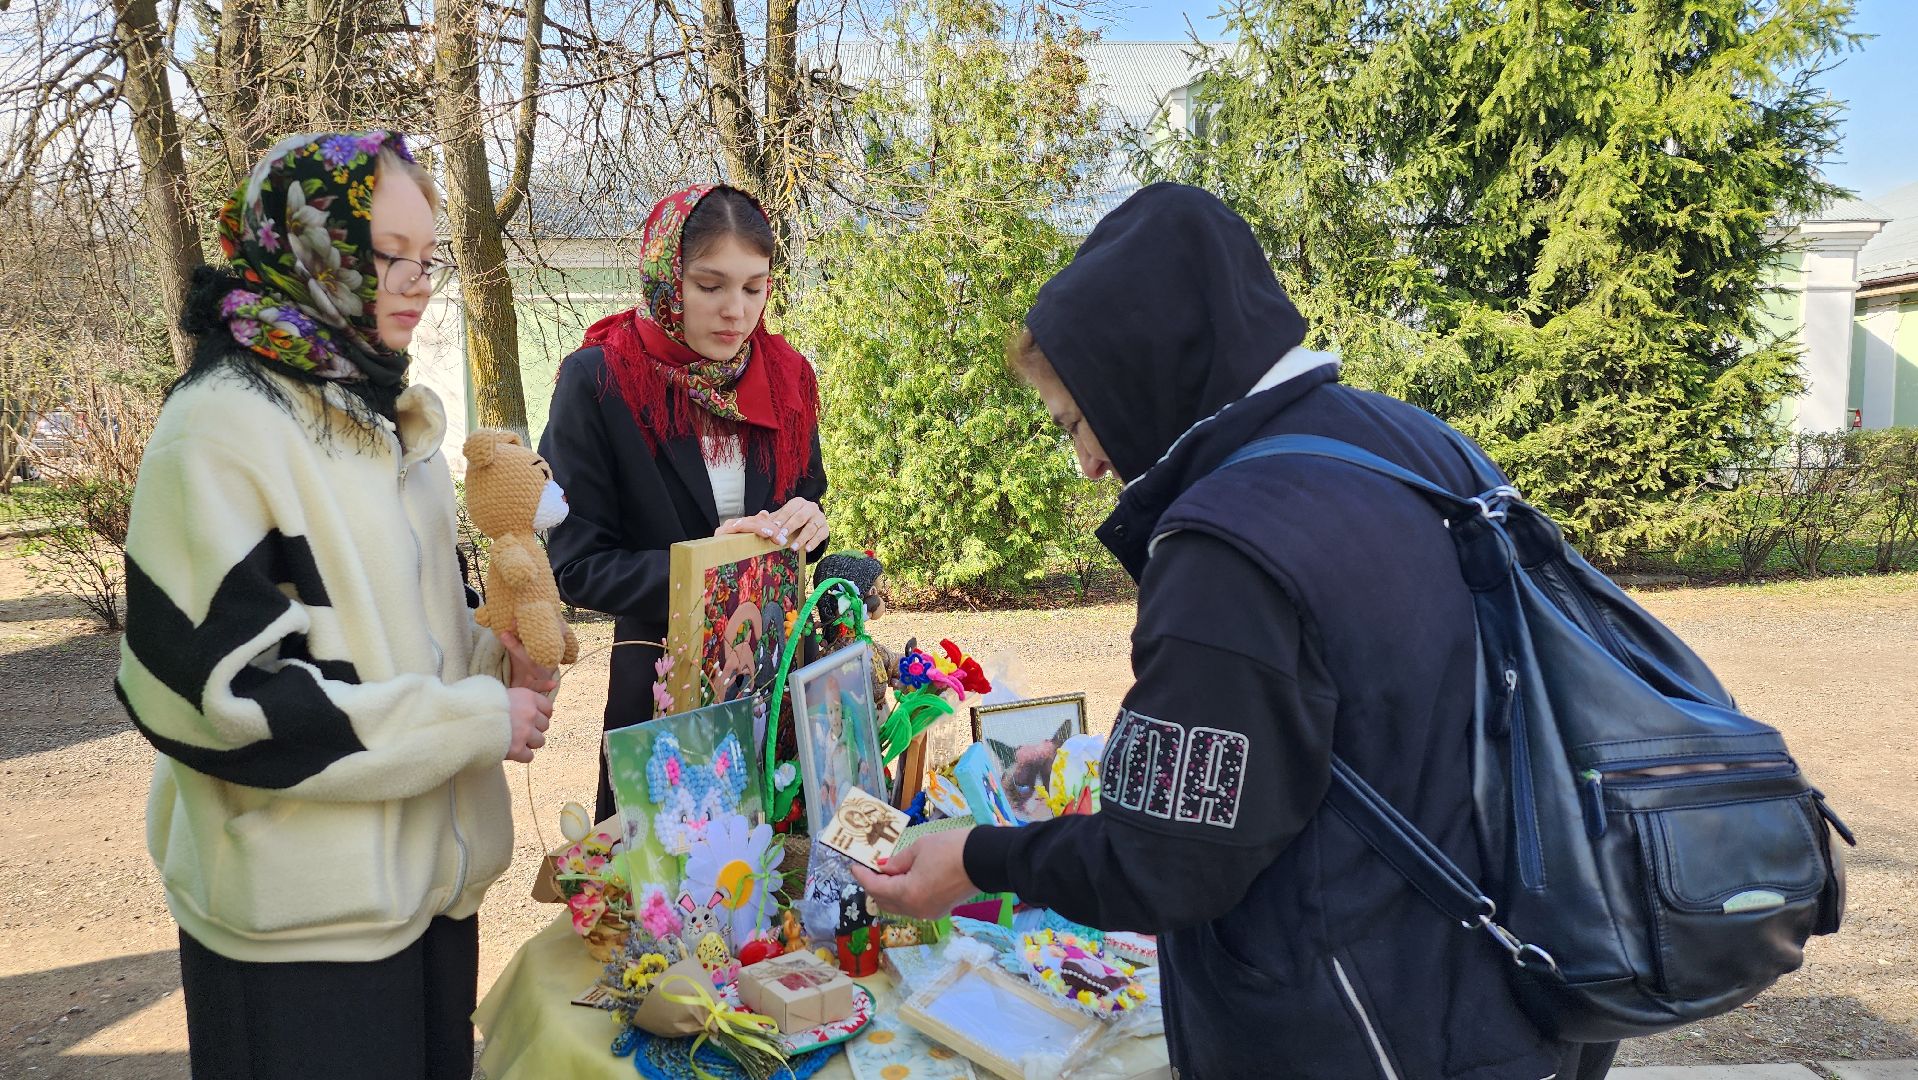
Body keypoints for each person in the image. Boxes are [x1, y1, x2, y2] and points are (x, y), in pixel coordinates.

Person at [853, 183, 1619, 1080]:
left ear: (1139, 371)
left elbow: (1168, 861)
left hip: (1371, 1026)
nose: (1089, 461)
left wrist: (980, 856)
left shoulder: (1226, 542)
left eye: (1077, 420)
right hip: (1523, 989)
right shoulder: (1410, 441)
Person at [116, 131, 556, 1078]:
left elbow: (410, 650)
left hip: (429, 906)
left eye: (427, 257)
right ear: (307, 248)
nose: (417, 281)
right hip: (295, 941)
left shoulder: (393, 421)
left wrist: (498, 666)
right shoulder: (222, 426)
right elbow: (215, 702)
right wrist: (478, 718)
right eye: (386, 255)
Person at [540, 184, 828, 823]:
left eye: (754, 289)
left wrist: (808, 520)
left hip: (770, 693)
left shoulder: (787, 378)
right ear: (666, 277)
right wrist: (712, 568)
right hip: (656, 699)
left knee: (776, 899)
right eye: (710, 286)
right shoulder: (599, 381)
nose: (736, 311)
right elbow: (579, 565)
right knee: (666, 908)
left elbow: (805, 495)